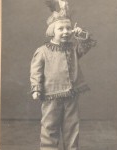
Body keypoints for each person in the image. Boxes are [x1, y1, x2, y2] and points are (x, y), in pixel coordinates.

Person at [30, 0, 95, 150]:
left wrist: (81, 34)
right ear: (52, 31)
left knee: (72, 126)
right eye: (61, 29)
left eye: (68, 28)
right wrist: (36, 88)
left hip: (71, 94)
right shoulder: (43, 51)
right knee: (49, 126)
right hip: (51, 94)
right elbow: (36, 70)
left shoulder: (73, 48)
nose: (66, 31)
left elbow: (86, 46)